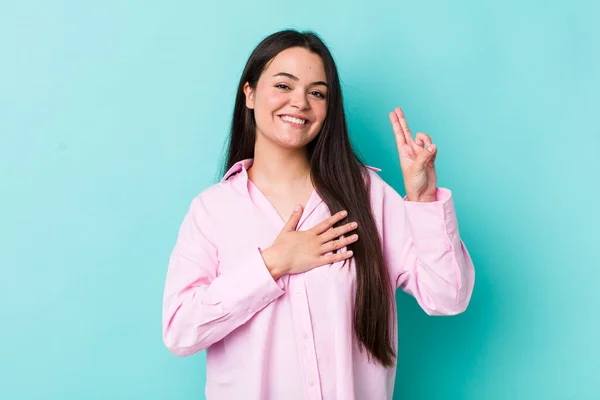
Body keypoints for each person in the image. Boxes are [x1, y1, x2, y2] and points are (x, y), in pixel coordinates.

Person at [161, 29, 475, 400]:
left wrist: (422, 199)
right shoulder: (212, 210)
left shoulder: (369, 197)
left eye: (317, 92)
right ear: (249, 93)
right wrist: (272, 264)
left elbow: (448, 297)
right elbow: (180, 331)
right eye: (283, 86)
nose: (300, 103)